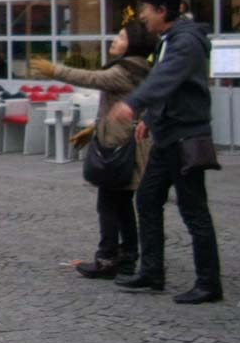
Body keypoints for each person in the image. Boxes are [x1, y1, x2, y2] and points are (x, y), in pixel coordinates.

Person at [110, 0, 223, 304]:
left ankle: (209, 282)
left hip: (185, 137)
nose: (142, 16)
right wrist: (149, 118)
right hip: (168, 134)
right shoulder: (169, 40)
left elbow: (166, 78)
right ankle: (152, 271)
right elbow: (172, 88)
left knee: (194, 210)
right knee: (146, 199)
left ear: (162, 10)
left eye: (146, 10)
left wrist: (133, 103)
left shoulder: (185, 42)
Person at [30, 20, 156, 279]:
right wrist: (94, 129)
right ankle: (128, 256)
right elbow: (115, 105)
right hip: (126, 141)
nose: (114, 40)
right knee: (122, 203)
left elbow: (90, 78)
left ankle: (107, 258)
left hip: (120, 145)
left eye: (121, 37)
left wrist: (54, 70)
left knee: (108, 203)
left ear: (133, 44)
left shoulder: (125, 70)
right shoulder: (140, 68)